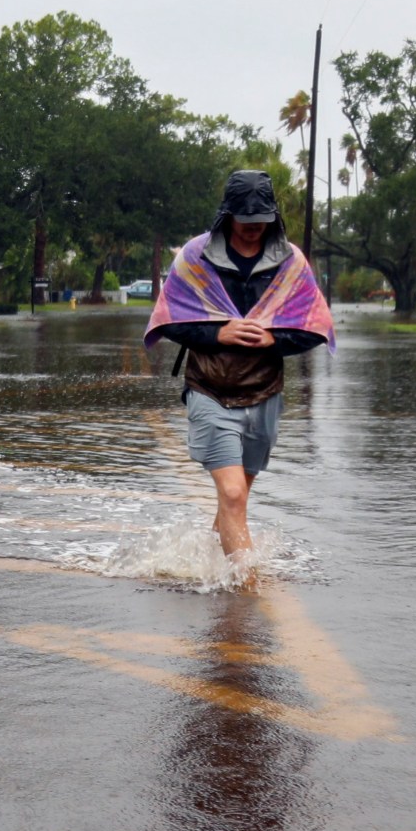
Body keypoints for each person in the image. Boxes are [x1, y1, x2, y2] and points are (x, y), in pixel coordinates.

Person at [143, 170, 334, 566]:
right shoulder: (195, 257)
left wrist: (273, 340)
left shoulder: (290, 262)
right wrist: (220, 334)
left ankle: (215, 572)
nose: (252, 229)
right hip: (210, 389)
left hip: (264, 393)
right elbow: (169, 321)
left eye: (260, 221)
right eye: (245, 221)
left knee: (238, 497)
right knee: (231, 494)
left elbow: (315, 326)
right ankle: (245, 589)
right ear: (227, 216)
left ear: (273, 218)